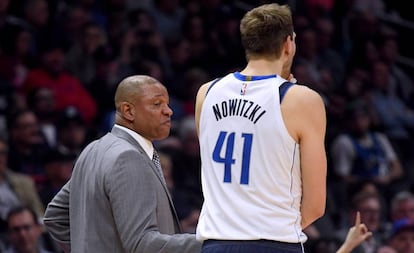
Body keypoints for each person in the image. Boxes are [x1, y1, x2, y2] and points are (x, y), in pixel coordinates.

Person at [194, 3, 327, 253]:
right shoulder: (302, 100)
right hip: (273, 242)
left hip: (216, 242)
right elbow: (315, 205)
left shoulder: (206, 92)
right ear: (288, 44)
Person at [43, 75, 201, 253]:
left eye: (167, 104)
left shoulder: (93, 149)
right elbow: (141, 243)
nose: (169, 111)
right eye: (157, 104)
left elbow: (54, 217)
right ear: (128, 111)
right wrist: (209, 245)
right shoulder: (128, 157)